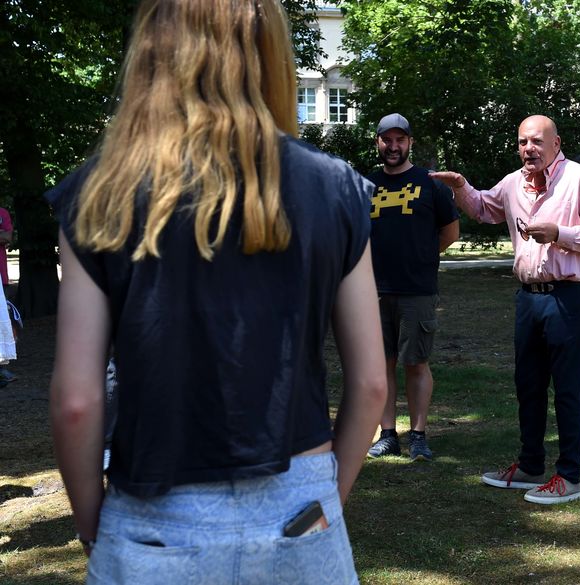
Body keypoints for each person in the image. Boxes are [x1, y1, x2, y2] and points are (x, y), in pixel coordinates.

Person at [46, 1, 386, 583]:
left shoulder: (99, 193)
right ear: (272, 52)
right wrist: (327, 499)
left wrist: (90, 526)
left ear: (152, 50)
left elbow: (77, 403)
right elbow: (373, 385)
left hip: (153, 517)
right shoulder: (336, 189)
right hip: (300, 508)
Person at [431, 115, 580, 505]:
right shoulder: (514, 182)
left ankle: (569, 476)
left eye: (536, 141)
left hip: (568, 298)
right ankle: (530, 466)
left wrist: (560, 234)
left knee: (567, 389)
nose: (528, 149)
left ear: (555, 143)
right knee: (528, 386)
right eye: (522, 142)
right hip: (528, 299)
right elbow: (484, 208)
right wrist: (461, 187)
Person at [365, 113, 460, 461]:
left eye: (399, 140)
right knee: (382, 364)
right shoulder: (365, 184)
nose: (393, 146)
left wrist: (420, 255)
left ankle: (418, 434)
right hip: (372, 290)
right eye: (386, 140)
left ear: (410, 143)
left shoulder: (430, 183)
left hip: (416, 289)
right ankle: (387, 434)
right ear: (377, 142)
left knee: (416, 362)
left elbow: (450, 232)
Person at [0, 207, 16, 386]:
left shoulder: (2, 213)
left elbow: (8, 237)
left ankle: (3, 365)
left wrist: (4, 235)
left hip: (1, 275)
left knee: (3, 318)